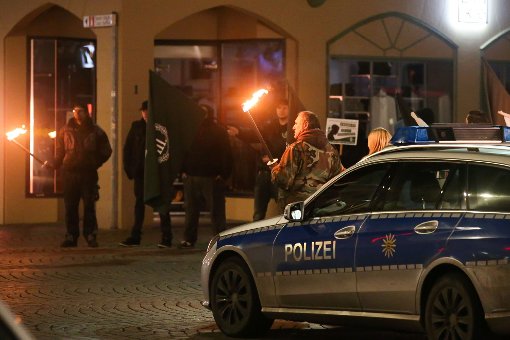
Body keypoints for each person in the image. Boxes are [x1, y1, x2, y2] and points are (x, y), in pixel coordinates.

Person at [52, 105, 112, 247]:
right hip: (70, 173)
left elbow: (106, 150)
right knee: (70, 206)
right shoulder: (65, 131)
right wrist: (55, 163)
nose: (77, 114)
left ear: (86, 113)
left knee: (89, 206)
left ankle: (90, 234)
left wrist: (94, 163)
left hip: (88, 174)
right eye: (74, 111)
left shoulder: (96, 131)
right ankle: (71, 235)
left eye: (80, 111)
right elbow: (59, 151)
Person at [119, 100, 173, 248]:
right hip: (140, 173)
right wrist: (129, 169)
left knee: (161, 204)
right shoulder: (136, 127)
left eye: (147, 110)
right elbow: (128, 148)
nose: (145, 113)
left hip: (156, 173)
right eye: (143, 111)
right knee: (139, 205)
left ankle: (166, 236)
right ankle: (135, 235)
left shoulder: (160, 128)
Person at [180, 105, 233, 248]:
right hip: (192, 175)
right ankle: (189, 238)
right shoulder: (190, 129)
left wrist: (223, 174)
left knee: (216, 211)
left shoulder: (218, 131)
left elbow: (226, 153)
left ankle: (220, 240)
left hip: (211, 176)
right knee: (191, 210)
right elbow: (183, 149)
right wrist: (183, 170)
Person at [228, 99, 290, 221]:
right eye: (279, 108)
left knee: (285, 210)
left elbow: (291, 149)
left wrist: (275, 158)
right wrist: (239, 132)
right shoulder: (270, 126)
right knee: (258, 213)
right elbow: (254, 134)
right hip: (264, 174)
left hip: (281, 173)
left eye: (284, 108)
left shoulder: (292, 128)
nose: (281, 111)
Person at [271, 111, 343, 211]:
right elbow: (338, 180)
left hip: (296, 210)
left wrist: (275, 169)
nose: (293, 127)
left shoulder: (296, 148)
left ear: (305, 125)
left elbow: (284, 181)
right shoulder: (332, 150)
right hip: (320, 208)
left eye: (296, 123)